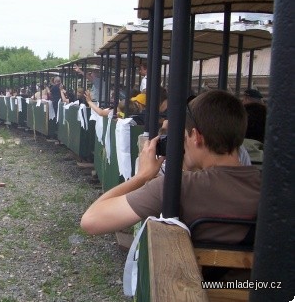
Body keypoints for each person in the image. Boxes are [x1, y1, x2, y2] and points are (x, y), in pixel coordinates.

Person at [81, 90, 261, 246]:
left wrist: (142, 176)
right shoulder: (269, 187)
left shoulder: (178, 187)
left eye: (185, 136)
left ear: (196, 137)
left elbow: (91, 221)